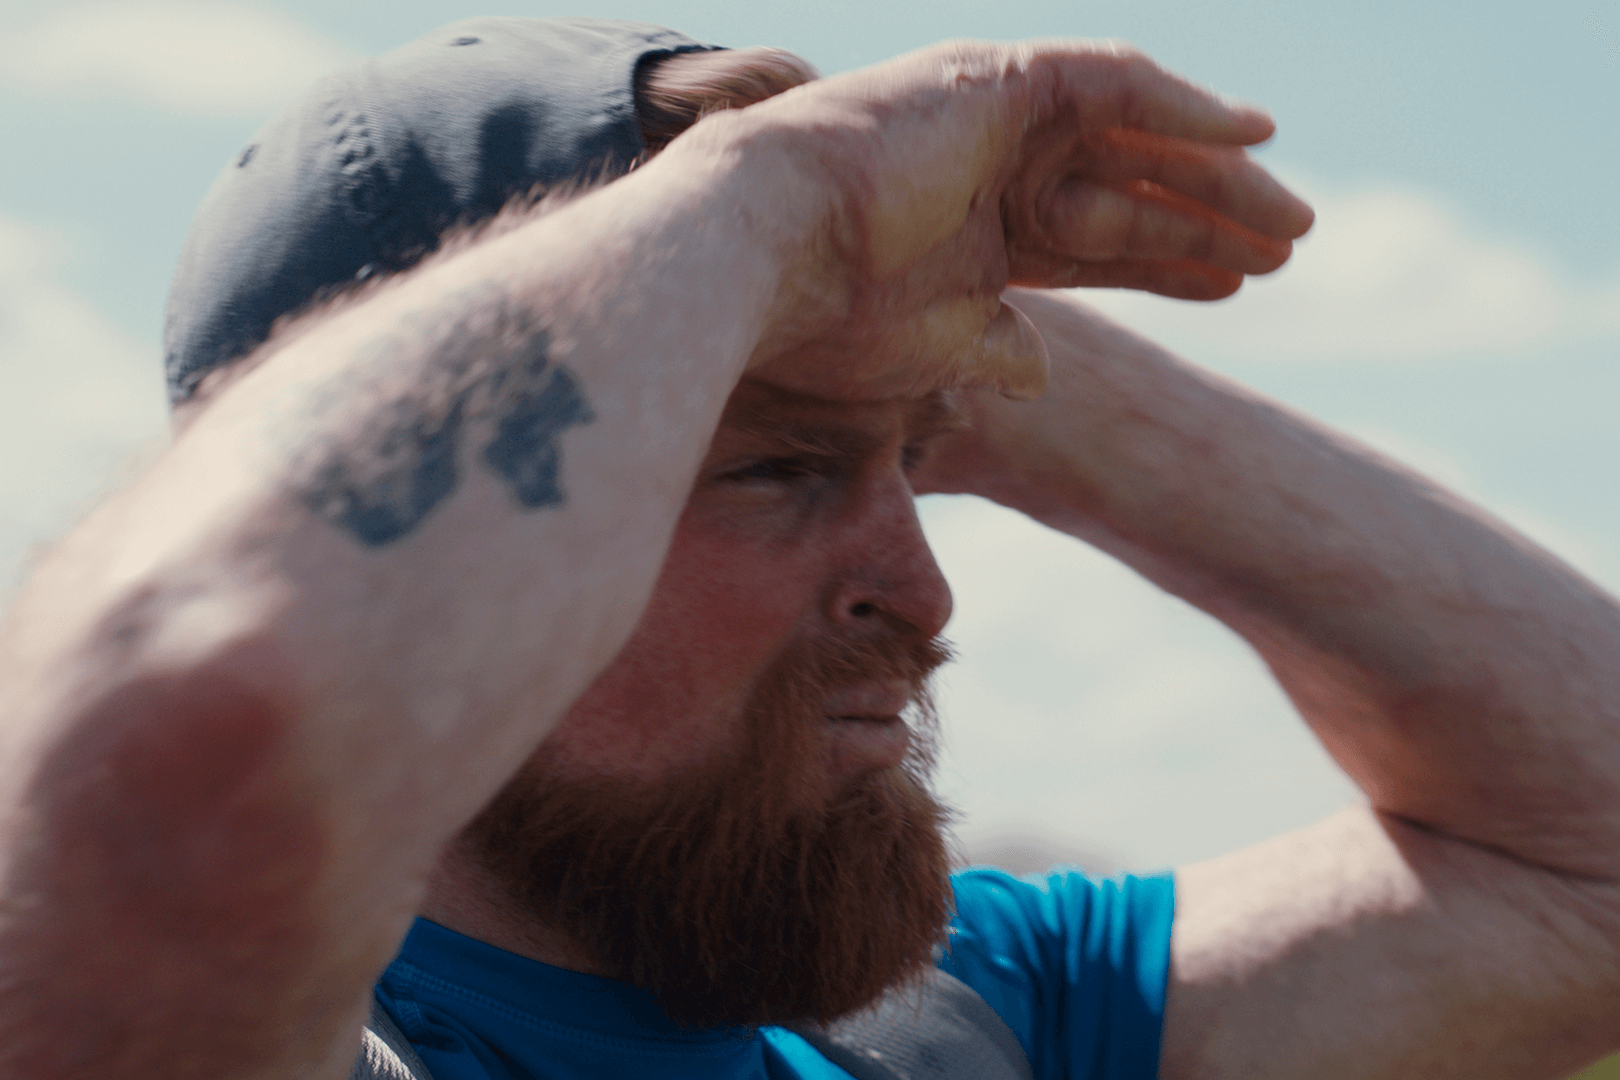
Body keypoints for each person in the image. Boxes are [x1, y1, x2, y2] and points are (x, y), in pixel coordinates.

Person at [2, 13, 1618, 1080]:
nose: (921, 595)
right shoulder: (258, 1026)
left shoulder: (967, 1014)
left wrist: (984, 347)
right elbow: (161, 791)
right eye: (770, 470)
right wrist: (793, 207)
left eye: (918, 464)